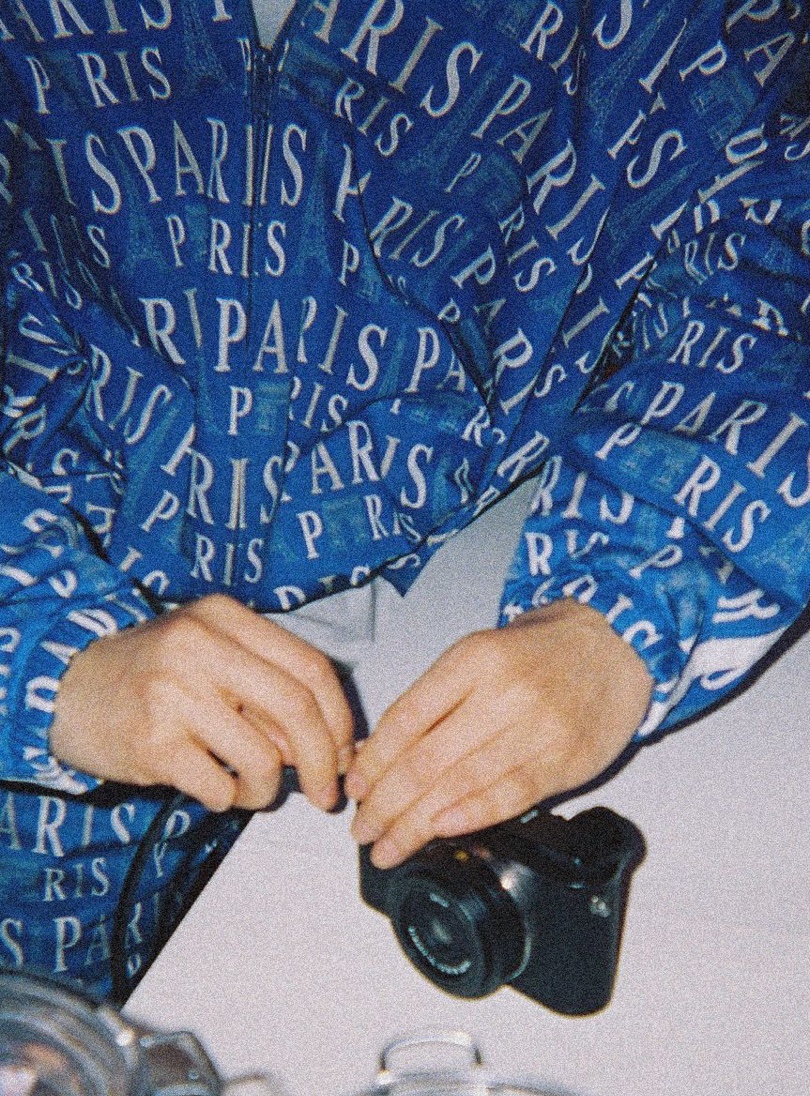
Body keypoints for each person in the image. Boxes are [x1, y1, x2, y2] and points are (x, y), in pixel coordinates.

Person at [0, 0, 808, 999]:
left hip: (432, 627)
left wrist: (624, 613)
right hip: (42, 696)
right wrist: (39, 654)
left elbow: (769, 260)